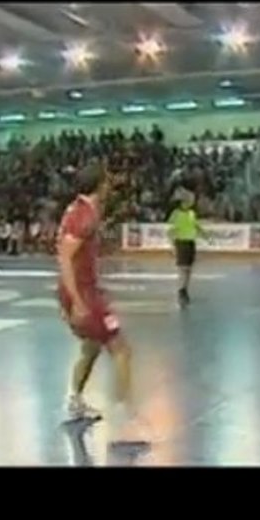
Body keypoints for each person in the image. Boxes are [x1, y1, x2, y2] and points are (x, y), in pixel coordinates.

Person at [57, 162, 148, 441]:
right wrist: (77, 301)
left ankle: (74, 402)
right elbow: (64, 258)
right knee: (121, 349)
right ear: (99, 185)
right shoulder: (85, 216)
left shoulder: (80, 209)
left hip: (83, 290)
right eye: (107, 181)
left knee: (91, 348)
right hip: (84, 294)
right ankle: (124, 422)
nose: (110, 185)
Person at [168, 188, 210, 306]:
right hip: (181, 242)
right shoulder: (176, 214)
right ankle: (181, 290)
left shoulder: (192, 214)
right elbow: (171, 230)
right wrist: (172, 245)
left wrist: (206, 236)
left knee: (188, 269)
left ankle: (185, 289)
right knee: (182, 268)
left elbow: (196, 226)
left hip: (190, 242)